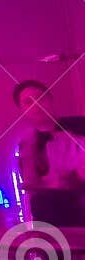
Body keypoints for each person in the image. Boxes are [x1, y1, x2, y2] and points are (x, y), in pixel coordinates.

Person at [13, 80, 85, 227]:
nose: (36, 105)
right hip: (48, 222)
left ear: (51, 101)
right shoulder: (26, 142)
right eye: (28, 102)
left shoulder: (81, 126)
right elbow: (32, 185)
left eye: (41, 98)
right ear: (22, 110)